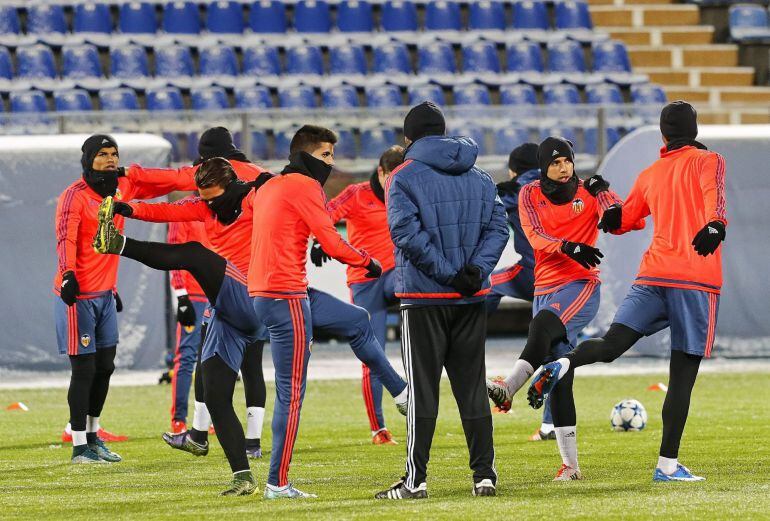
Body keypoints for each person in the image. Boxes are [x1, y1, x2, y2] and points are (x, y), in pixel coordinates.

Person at [97, 154, 409, 496]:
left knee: (357, 320)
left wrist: (332, 244)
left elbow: (297, 208)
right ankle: (243, 476)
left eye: (214, 197)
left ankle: (401, 392)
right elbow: (171, 210)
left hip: (269, 292)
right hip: (238, 303)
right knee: (216, 395)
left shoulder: (259, 195)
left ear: (231, 185)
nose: (210, 205)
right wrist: (130, 209)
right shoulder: (207, 206)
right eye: (205, 198)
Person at [529, 101, 727, 483]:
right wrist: (716, 225)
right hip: (695, 279)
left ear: (664, 135)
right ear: (695, 130)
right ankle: (667, 466)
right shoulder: (710, 160)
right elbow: (713, 197)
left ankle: (563, 363)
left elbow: (620, 219)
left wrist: (605, 199)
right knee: (682, 374)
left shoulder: (651, 172)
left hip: (651, 275)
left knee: (610, 344)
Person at [248, 125, 409, 499]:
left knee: (357, 320)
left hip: (279, 291)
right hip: (285, 295)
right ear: (305, 155)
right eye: (325, 155)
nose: (331, 163)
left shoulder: (270, 185)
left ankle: (400, 392)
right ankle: (277, 483)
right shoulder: (305, 186)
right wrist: (366, 261)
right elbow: (332, 241)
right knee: (290, 393)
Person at [375, 102, 509, 500]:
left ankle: (415, 481)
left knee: (423, 391)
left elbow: (407, 236)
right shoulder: (481, 176)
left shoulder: (402, 178)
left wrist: (450, 274)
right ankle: (484, 476)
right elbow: (499, 228)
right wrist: (474, 273)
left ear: (408, 139)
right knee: (471, 388)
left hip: (423, 298)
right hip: (471, 299)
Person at [114, 127, 270, 458]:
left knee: (202, 358)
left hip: (237, 289)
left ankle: (201, 432)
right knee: (241, 366)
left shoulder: (243, 190)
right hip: (256, 292)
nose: (207, 198)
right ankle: (237, 443)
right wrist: (132, 208)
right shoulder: (246, 187)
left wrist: (130, 176)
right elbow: (171, 210)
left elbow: (172, 181)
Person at [486, 136, 635, 481]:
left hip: (581, 285)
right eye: (555, 163)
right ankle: (571, 467)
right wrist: (568, 246)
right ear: (543, 167)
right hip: (545, 286)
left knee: (540, 329)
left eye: (567, 160)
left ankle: (508, 388)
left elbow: (615, 217)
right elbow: (534, 235)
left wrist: (605, 194)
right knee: (561, 377)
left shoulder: (587, 190)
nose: (563, 167)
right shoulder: (529, 194)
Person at [54, 134, 193, 464]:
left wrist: (194, 172)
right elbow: (65, 237)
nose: (110, 159)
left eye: (114, 153)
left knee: (105, 367)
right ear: (88, 159)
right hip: (78, 296)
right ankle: (78, 447)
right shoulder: (74, 196)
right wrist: (67, 275)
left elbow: (164, 183)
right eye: (102, 154)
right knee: (84, 370)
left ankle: (93, 436)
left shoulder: (122, 189)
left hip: (104, 295)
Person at [313, 145, 404, 445]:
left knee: (413, 279)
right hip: (365, 282)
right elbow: (324, 215)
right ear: (380, 173)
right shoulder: (356, 194)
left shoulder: (409, 192)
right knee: (372, 353)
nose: (395, 183)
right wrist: (320, 239)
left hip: (396, 276)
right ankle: (378, 428)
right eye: (391, 176)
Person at [484, 143, 557, 441]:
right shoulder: (556, 184)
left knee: (485, 287)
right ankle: (550, 425)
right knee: (558, 352)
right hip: (564, 278)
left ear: (514, 169)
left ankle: (465, 343)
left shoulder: (515, 189)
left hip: (532, 273)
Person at [167, 215, 211, 434]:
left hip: (216, 294)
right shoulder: (184, 213)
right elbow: (174, 254)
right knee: (186, 357)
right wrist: (181, 295)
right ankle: (179, 419)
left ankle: (206, 418)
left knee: (213, 359)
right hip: (193, 296)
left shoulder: (224, 213)